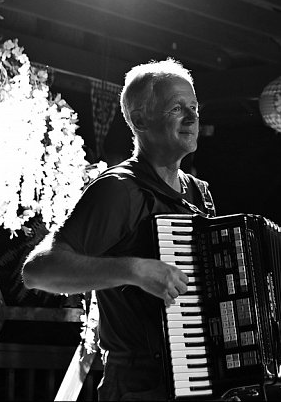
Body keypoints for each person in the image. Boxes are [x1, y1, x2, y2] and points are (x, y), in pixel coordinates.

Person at [22, 58, 216, 400]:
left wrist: (265, 343)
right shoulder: (119, 189)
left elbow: (217, 293)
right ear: (140, 120)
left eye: (194, 107)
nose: (192, 117)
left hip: (197, 382)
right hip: (138, 386)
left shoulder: (200, 194)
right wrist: (134, 270)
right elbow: (38, 270)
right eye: (176, 109)